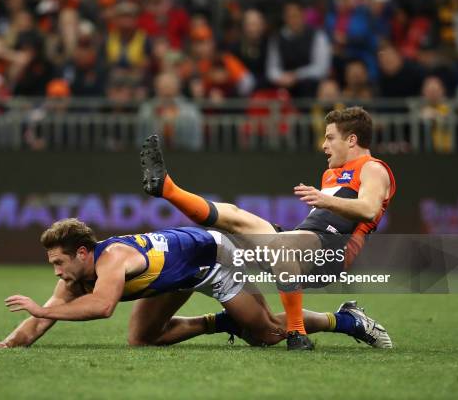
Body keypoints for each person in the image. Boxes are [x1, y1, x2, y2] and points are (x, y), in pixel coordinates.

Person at [140, 106, 396, 350]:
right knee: (234, 217)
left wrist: (325, 199)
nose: (324, 145)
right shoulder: (332, 173)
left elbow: (369, 209)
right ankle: (168, 189)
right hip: (301, 243)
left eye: (329, 138)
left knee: (282, 248)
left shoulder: (373, 168)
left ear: (351, 140)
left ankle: (297, 333)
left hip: (333, 252)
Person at [0, 219, 392, 350]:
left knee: (267, 334)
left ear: (81, 252)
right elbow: (41, 321)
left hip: (211, 259)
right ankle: (222, 323)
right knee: (142, 340)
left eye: (59, 262)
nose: (56, 273)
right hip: (174, 275)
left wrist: (42, 308)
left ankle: (346, 320)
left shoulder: (111, 261)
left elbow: (102, 307)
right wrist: (9, 344)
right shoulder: (76, 276)